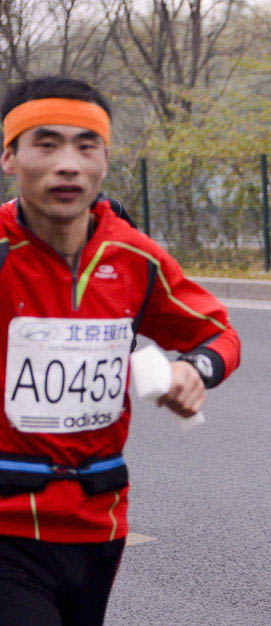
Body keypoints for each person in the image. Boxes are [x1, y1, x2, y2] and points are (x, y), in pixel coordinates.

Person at [0, 76, 241, 626]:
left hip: (99, 523)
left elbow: (218, 334)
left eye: (86, 146)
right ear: (10, 157)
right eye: (46, 144)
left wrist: (193, 369)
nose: (68, 164)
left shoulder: (134, 256)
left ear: (106, 160)